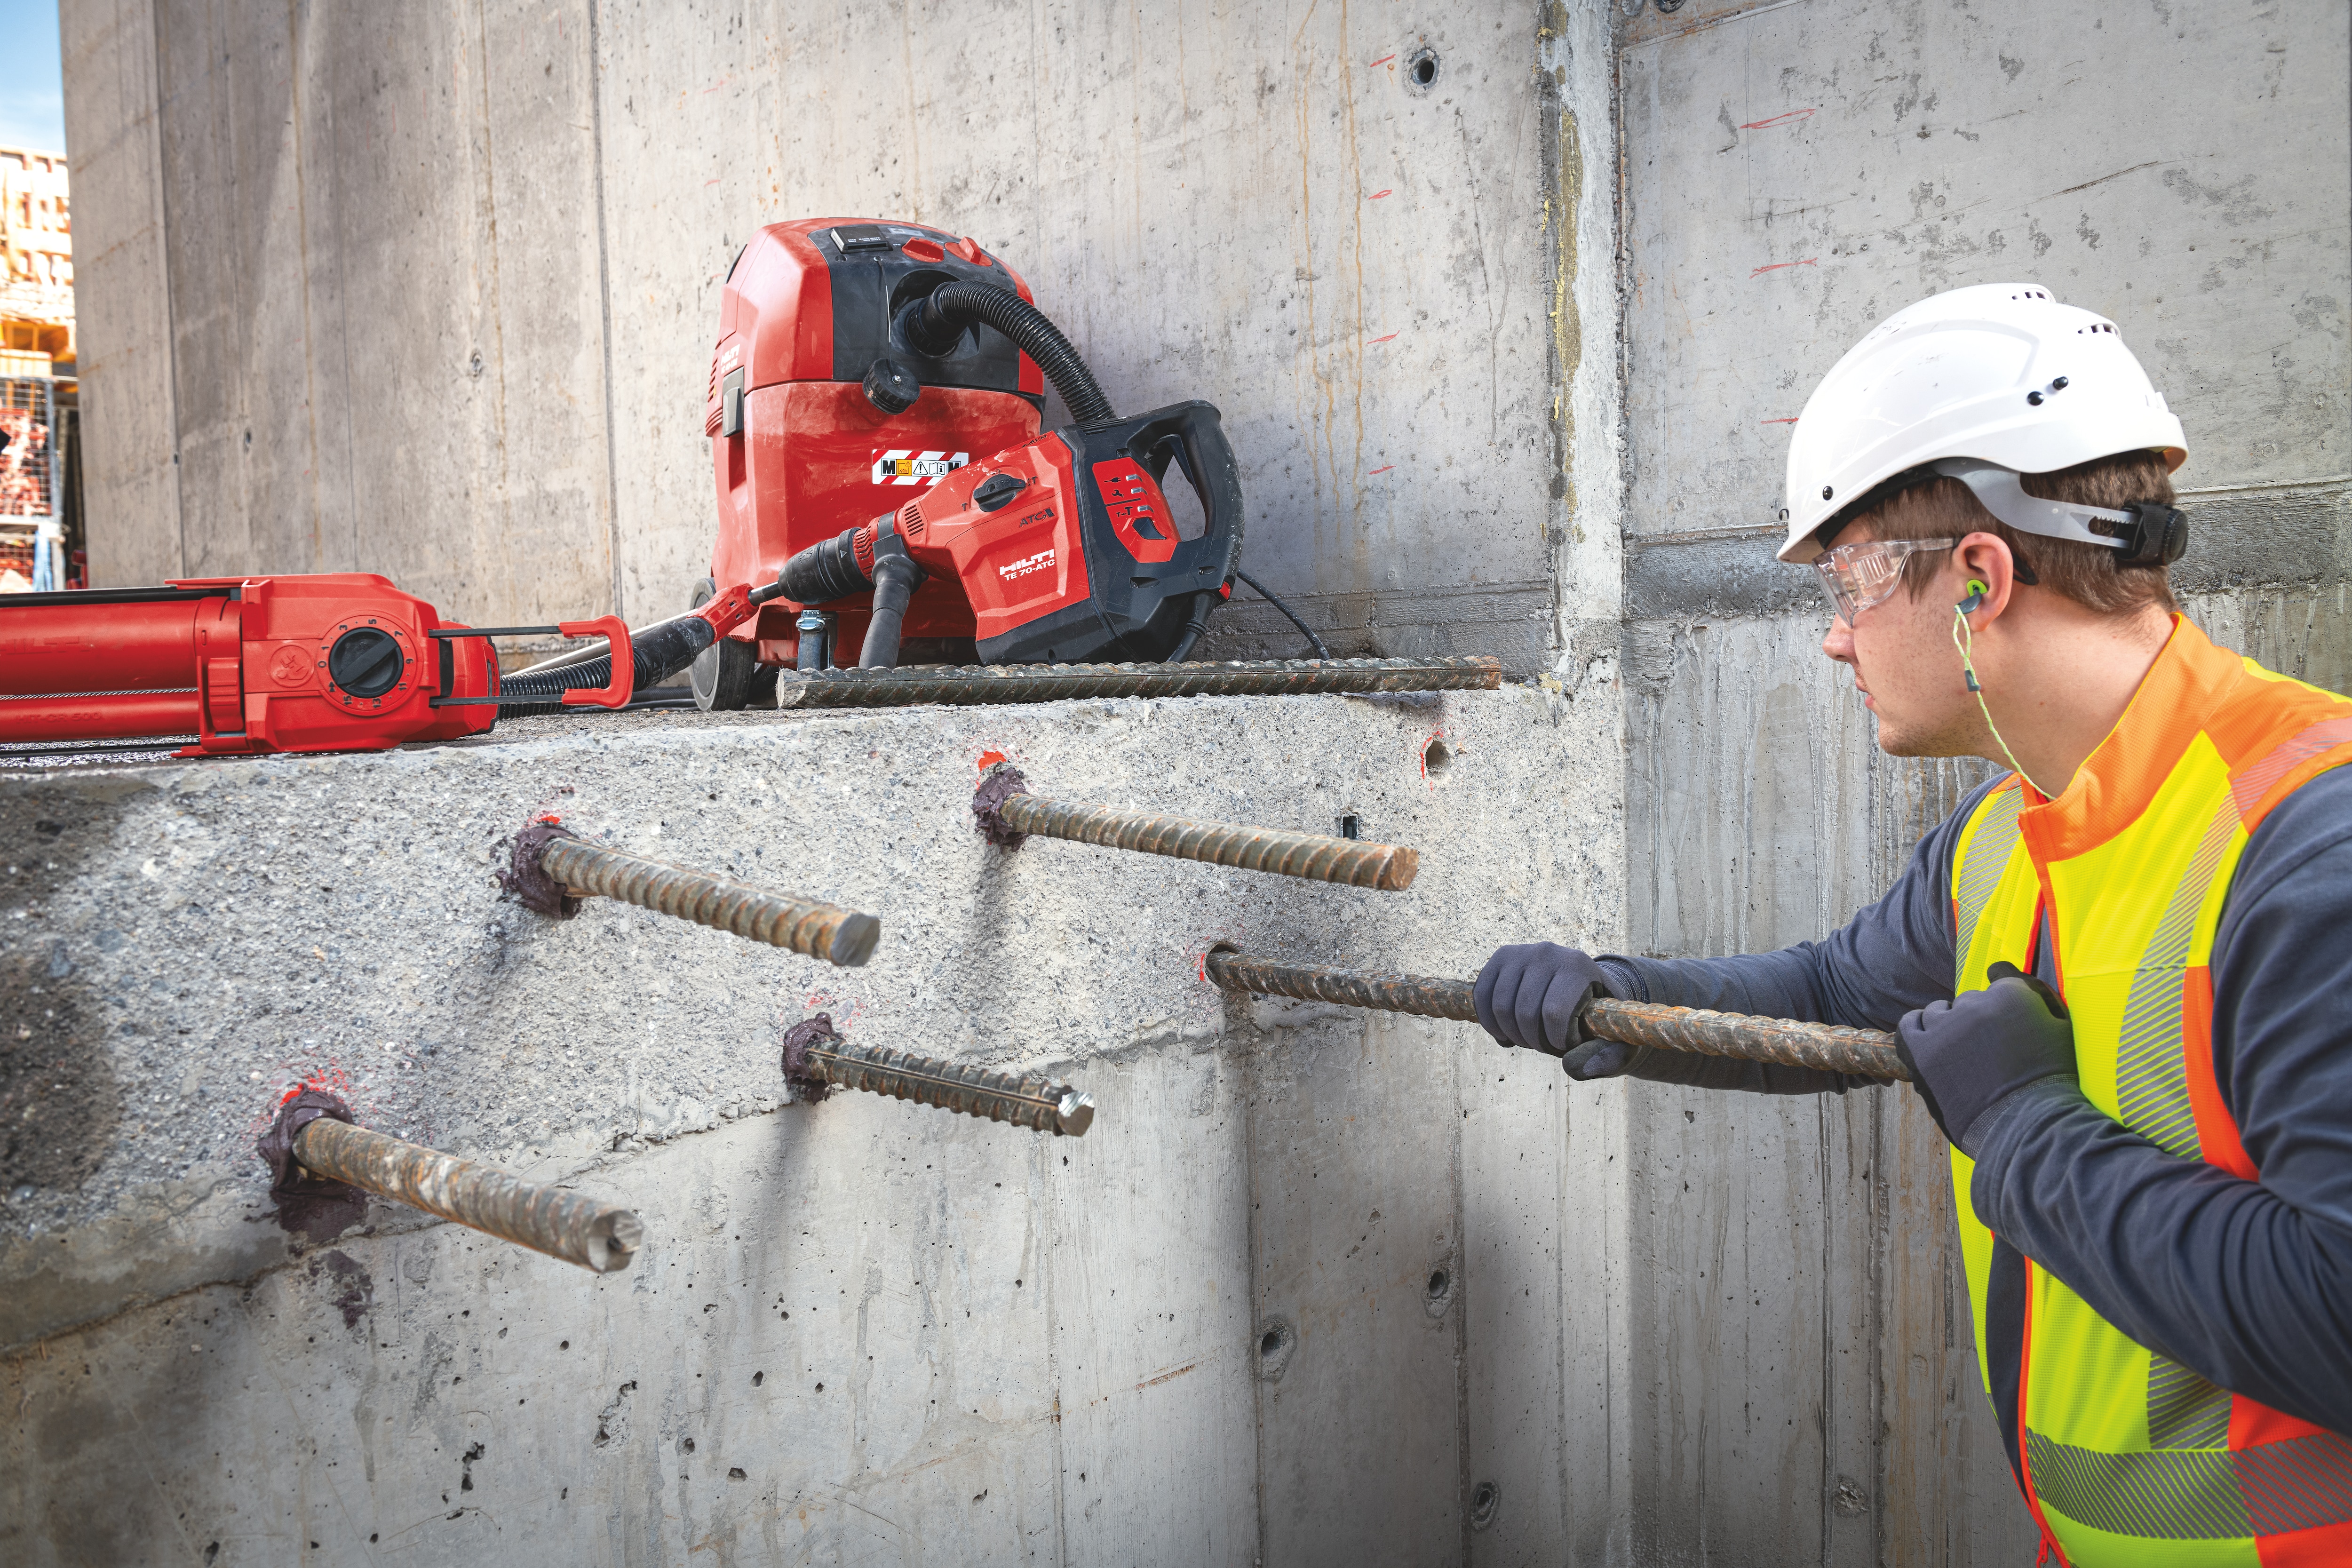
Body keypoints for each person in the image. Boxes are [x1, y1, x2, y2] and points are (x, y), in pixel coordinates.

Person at [1478, 283, 2352, 1565]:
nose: (1835, 642)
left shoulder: (2309, 842)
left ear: (1979, 578)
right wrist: (1610, 1000)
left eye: (1848, 582)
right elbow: (1835, 996)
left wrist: (2019, 1128)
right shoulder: (2004, 835)